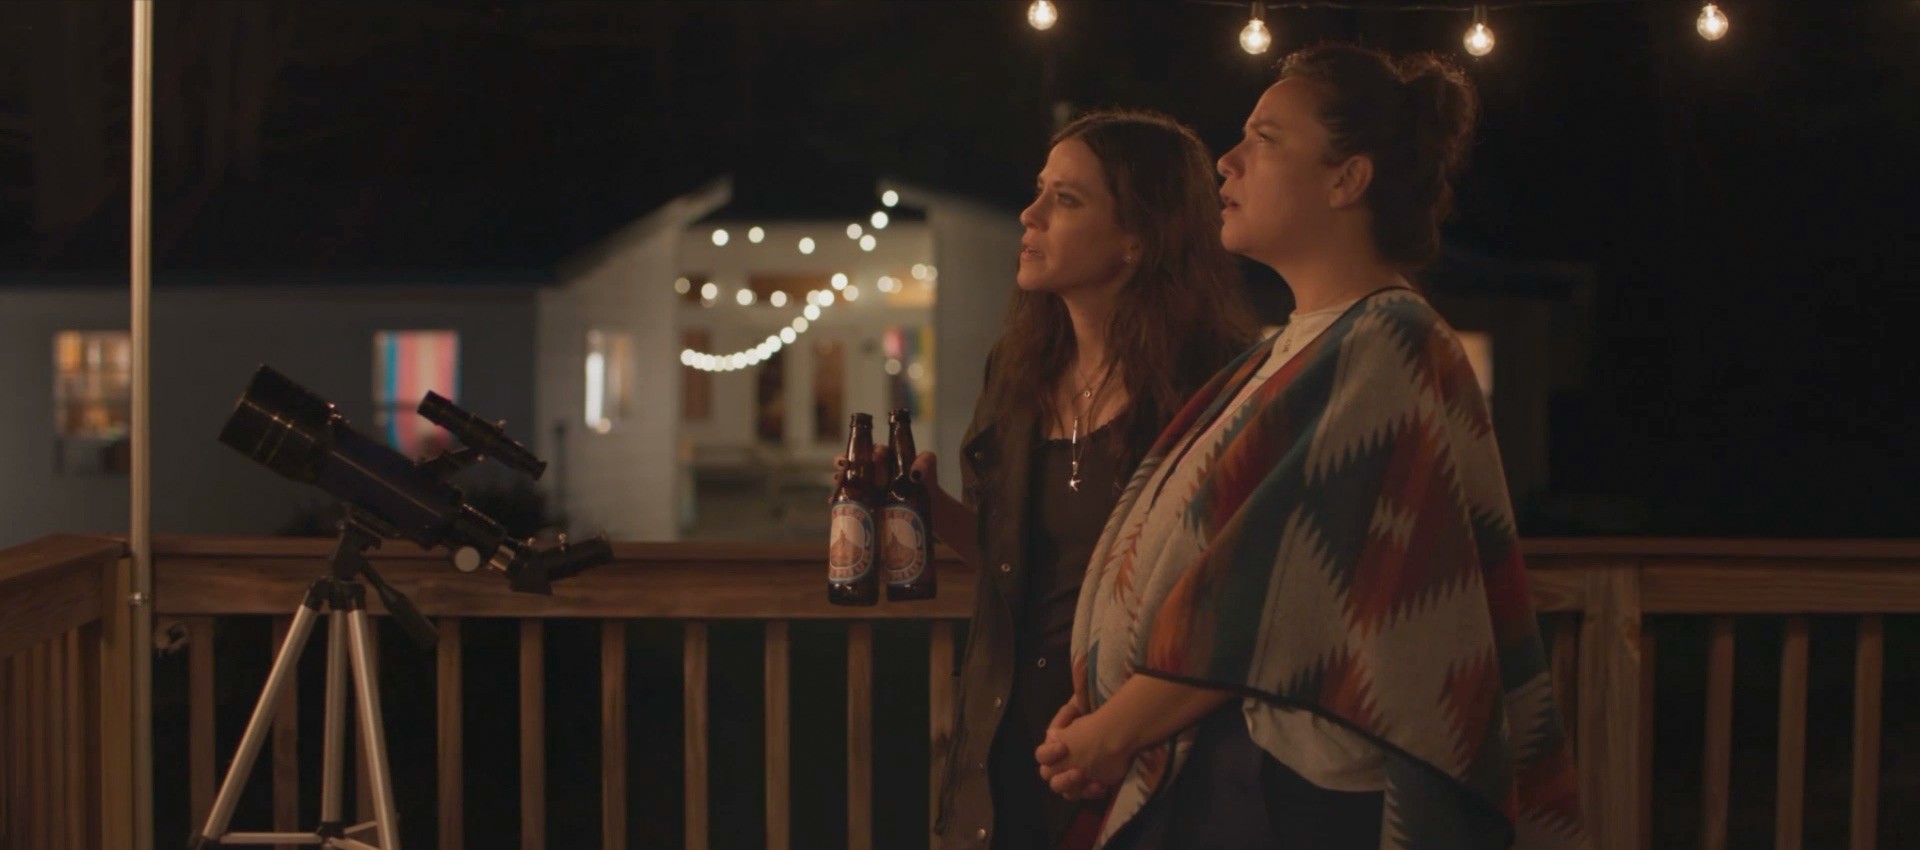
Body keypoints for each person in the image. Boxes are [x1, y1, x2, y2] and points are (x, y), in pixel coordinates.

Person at [1034, 45, 1588, 849]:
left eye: (1264, 139)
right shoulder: (1281, 354)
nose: (1226, 161)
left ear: (1346, 179)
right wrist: (1106, 718)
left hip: (1297, 795)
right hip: (1228, 770)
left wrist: (1117, 728)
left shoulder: (1391, 344)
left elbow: (1267, 590)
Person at [840, 109, 1258, 850]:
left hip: (1145, 742)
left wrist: (1124, 727)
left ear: (1139, 236)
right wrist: (927, 508)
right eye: (1038, 192)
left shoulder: (1212, 381)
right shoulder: (1017, 370)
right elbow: (1017, 566)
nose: (1029, 215)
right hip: (1010, 735)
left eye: (1066, 200)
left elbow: (1231, 592)